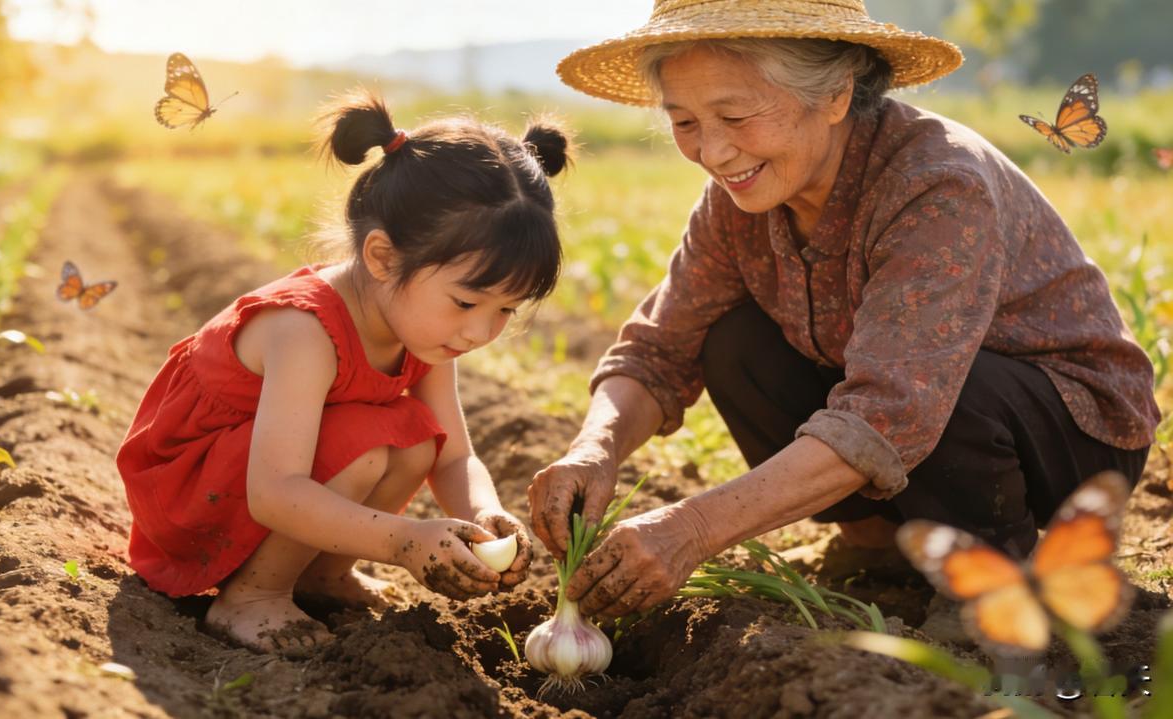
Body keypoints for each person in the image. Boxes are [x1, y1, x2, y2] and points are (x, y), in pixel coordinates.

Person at [530, 0, 1159, 630]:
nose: (714, 152)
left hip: (1070, 436)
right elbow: (658, 347)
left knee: (949, 387)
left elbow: (892, 408)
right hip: (912, 422)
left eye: (736, 115)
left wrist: (690, 529)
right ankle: (874, 540)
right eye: (686, 121)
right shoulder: (738, 199)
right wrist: (595, 450)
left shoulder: (935, 183)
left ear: (834, 95)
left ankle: (998, 571)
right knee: (732, 341)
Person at [117, 91, 571, 655]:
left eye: (506, 310)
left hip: (265, 481)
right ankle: (251, 597)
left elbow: (454, 455)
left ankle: (322, 576)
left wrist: (484, 514)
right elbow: (276, 492)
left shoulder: (421, 332)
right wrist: (404, 541)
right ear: (382, 257)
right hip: (196, 494)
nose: (481, 333)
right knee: (368, 443)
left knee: (415, 439)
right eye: (465, 303)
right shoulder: (304, 330)